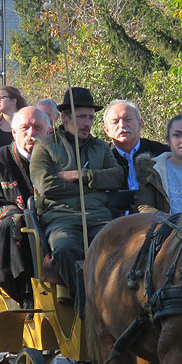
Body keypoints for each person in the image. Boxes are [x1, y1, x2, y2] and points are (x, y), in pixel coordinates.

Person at [30, 87, 123, 298]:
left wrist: (82, 175)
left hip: (99, 218)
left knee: (120, 246)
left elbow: (117, 177)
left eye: (91, 118)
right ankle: (86, 303)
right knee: (65, 248)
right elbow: (46, 186)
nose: (87, 123)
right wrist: (97, 182)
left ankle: (115, 301)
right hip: (61, 220)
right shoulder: (44, 147)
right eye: (81, 117)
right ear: (64, 118)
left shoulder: (101, 147)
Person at [0, 106, 50, 303]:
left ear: (48, 131)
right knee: (20, 224)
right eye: (25, 128)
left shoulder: (56, 158)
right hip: (9, 228)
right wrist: (21, 214)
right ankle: (22, 292)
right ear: (14, 132)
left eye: (37, 127)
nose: (31, 133)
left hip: (52, 221)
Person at [102, 99, 168, 216]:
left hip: (157, 221)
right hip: (112, 225)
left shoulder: (162, 153)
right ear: (106, 130)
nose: (122, 125)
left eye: (127, 120)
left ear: (140, 123)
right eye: (115, 122)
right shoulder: (101, 157)